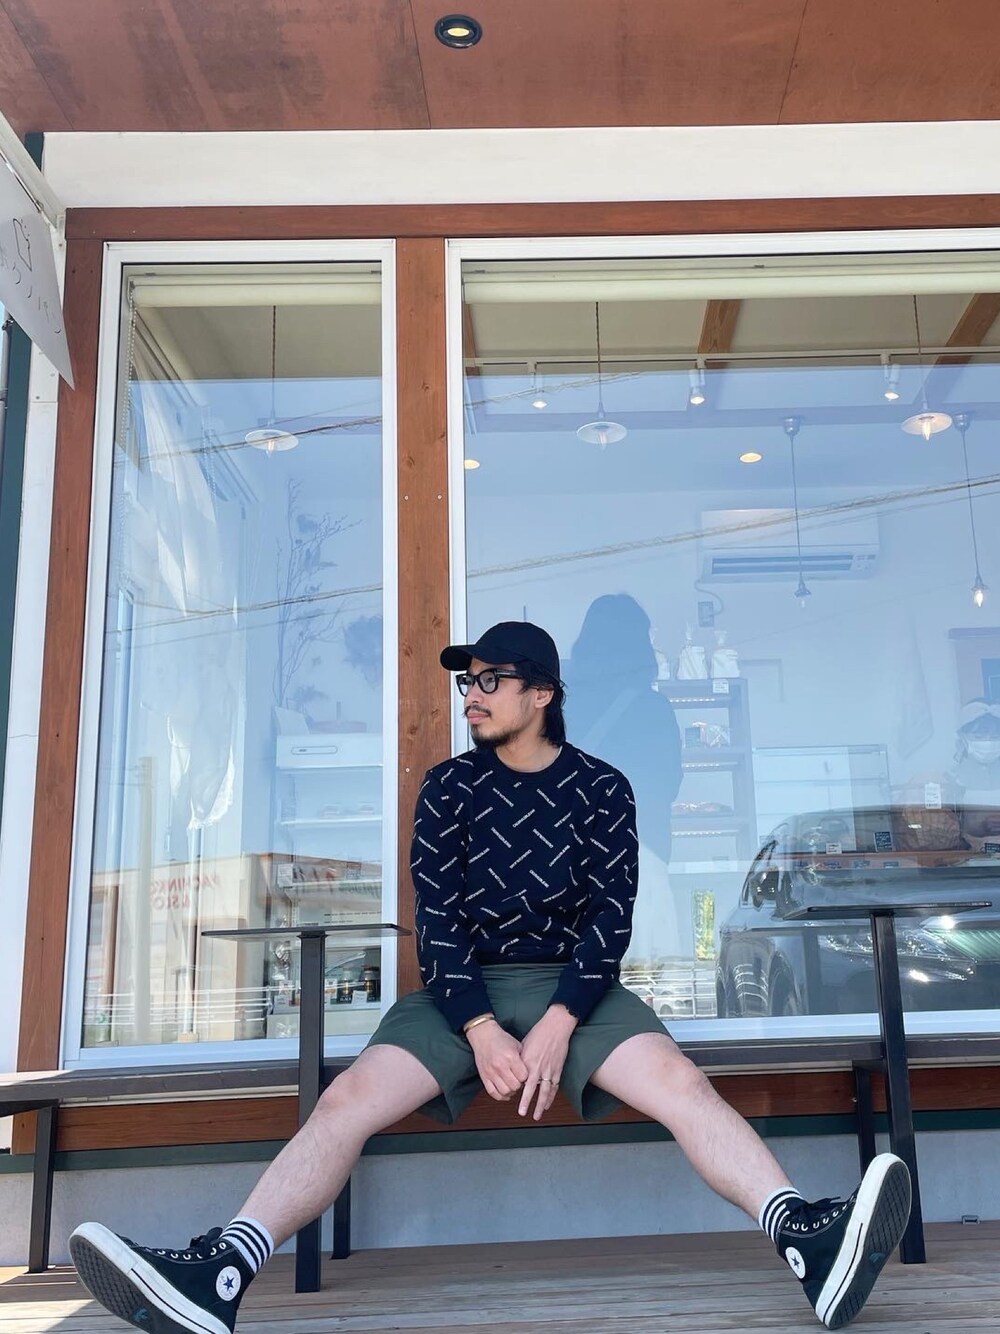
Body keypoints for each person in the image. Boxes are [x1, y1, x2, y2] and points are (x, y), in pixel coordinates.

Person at [69, 620, 912, 1334]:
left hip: (574, 986)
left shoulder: (602, 789)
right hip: (459, 991)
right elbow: (437, 923)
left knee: (681, 1084)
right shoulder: (449, 789)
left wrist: (557, 1022)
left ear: (541, 693)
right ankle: (219, 1274)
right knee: (346, 1100)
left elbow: (609, 920)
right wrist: (479, 1028)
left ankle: (807, 1240)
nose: (471, 696)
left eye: (490, 681)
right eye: (468, 681)